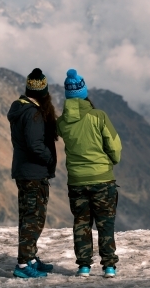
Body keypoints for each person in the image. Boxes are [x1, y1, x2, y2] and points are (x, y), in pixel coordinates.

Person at [57, 69, 122, 278]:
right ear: (84, 91)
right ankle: (109, 266)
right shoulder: (99, 116)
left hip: (76, 181)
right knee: (105, 223)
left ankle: (84, 266)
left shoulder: (62, 122)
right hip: (103, 179)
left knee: (81, 223)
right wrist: (110, 162)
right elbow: (114, 146)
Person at [7, 68, 58, 279]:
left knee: (29, 216)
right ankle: (22, 264)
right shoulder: (33, 114)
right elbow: (35, 145)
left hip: (25, 171)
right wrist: (50, 158)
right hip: (33, 173)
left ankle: (31, 258)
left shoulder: (21, 109)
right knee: (33, 219)